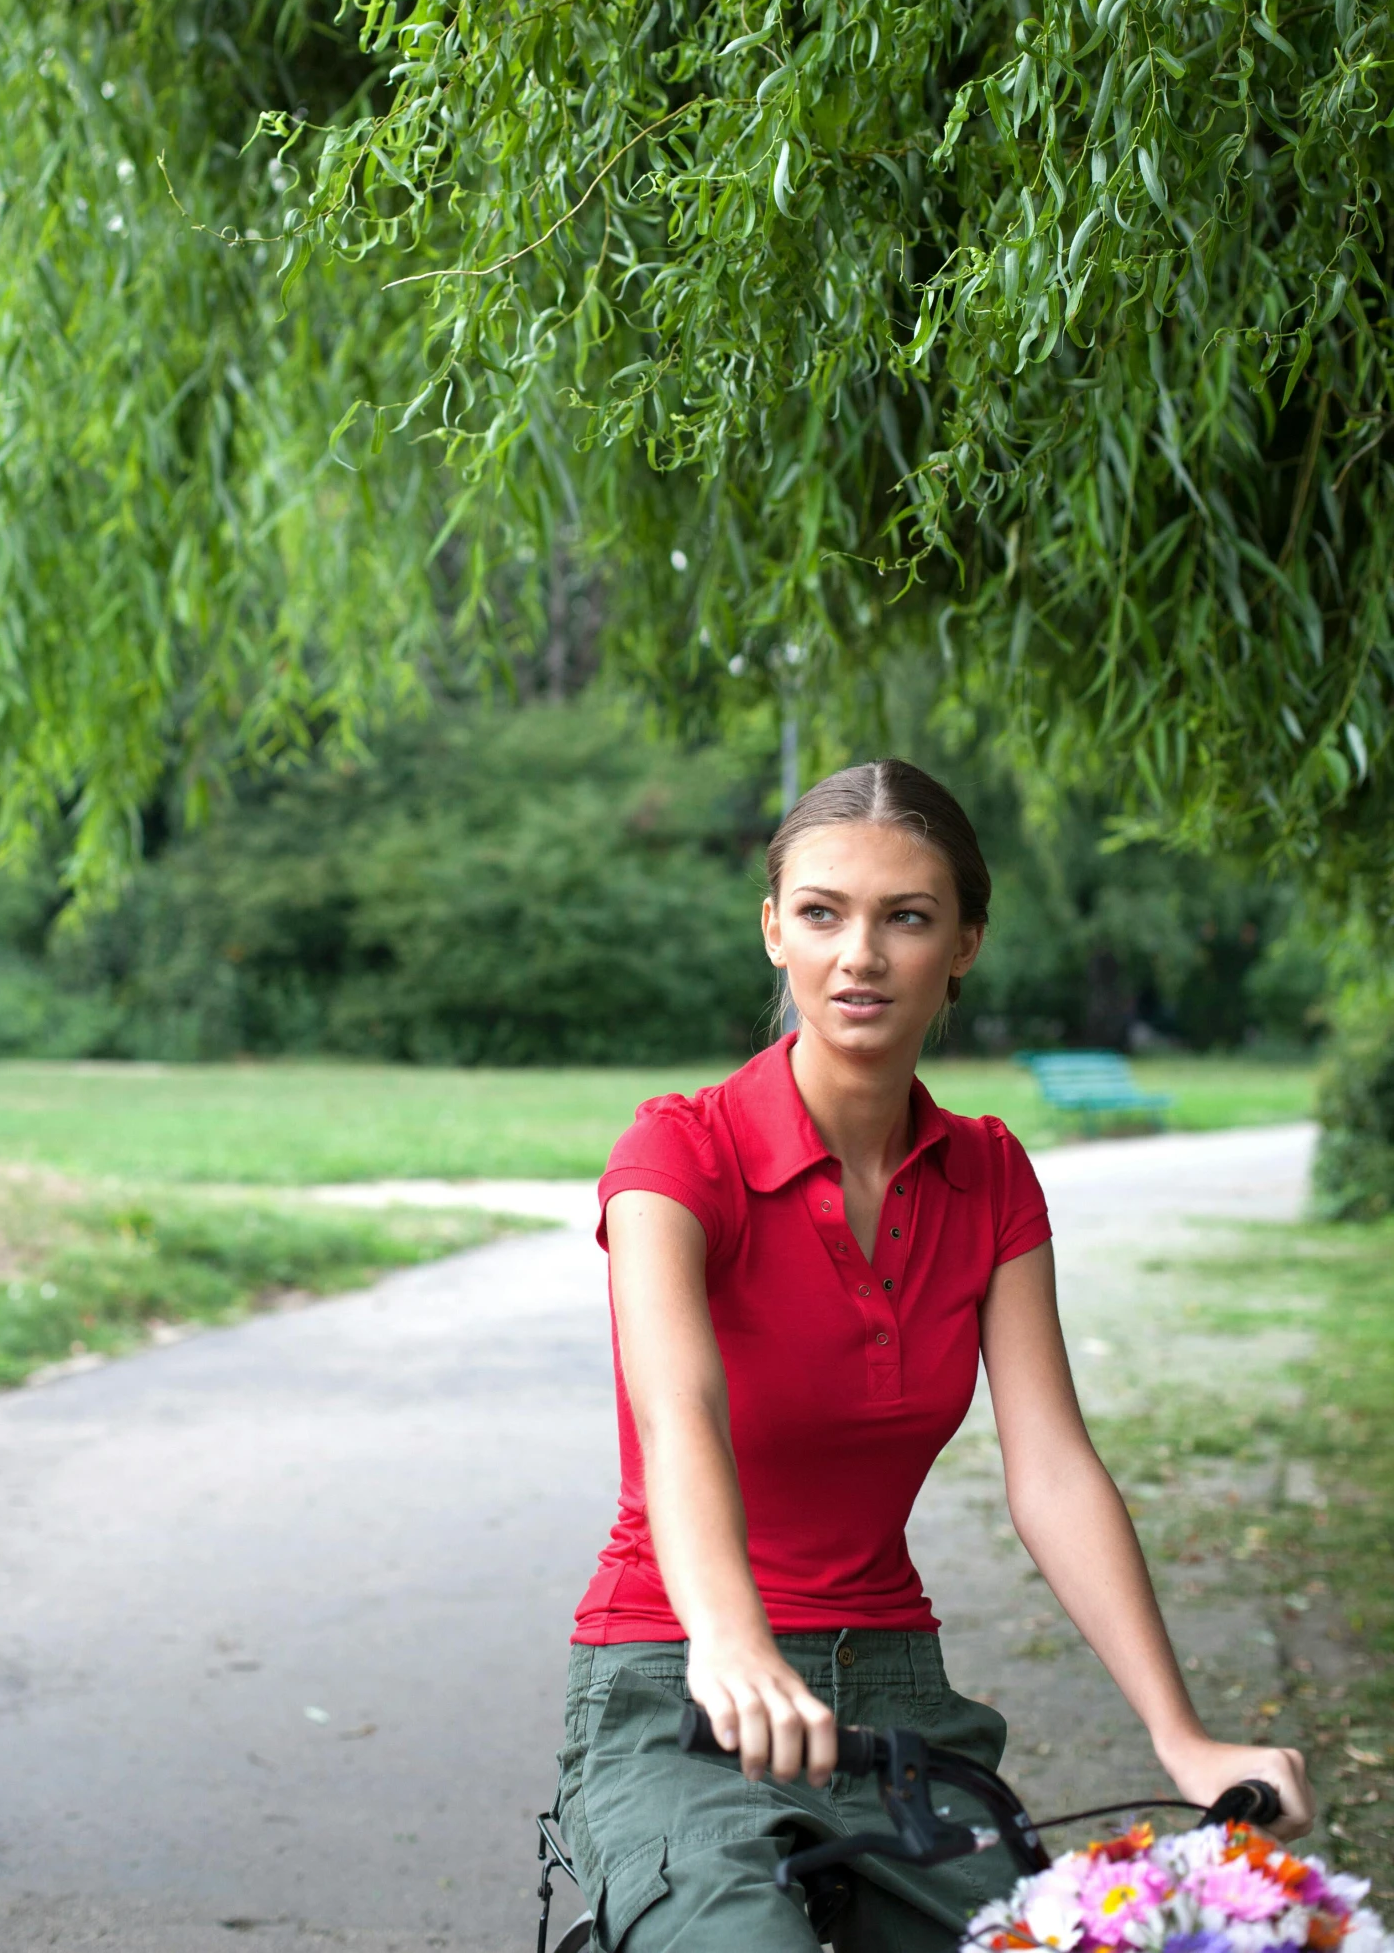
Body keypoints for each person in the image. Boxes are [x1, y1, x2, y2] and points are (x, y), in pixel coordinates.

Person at [555, 759, 1313, 1953]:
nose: (858, 953)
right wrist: (731, 1633)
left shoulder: (991, 1172)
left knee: (1053, 1941)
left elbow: (1052, 1467)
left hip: (896, 1686)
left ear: (962, 941)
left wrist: (1181, 1733)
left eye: (905, 916)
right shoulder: (676, 1153)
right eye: (821, 912)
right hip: (679, 1674)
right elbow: (678, 1413)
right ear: (774, 931)